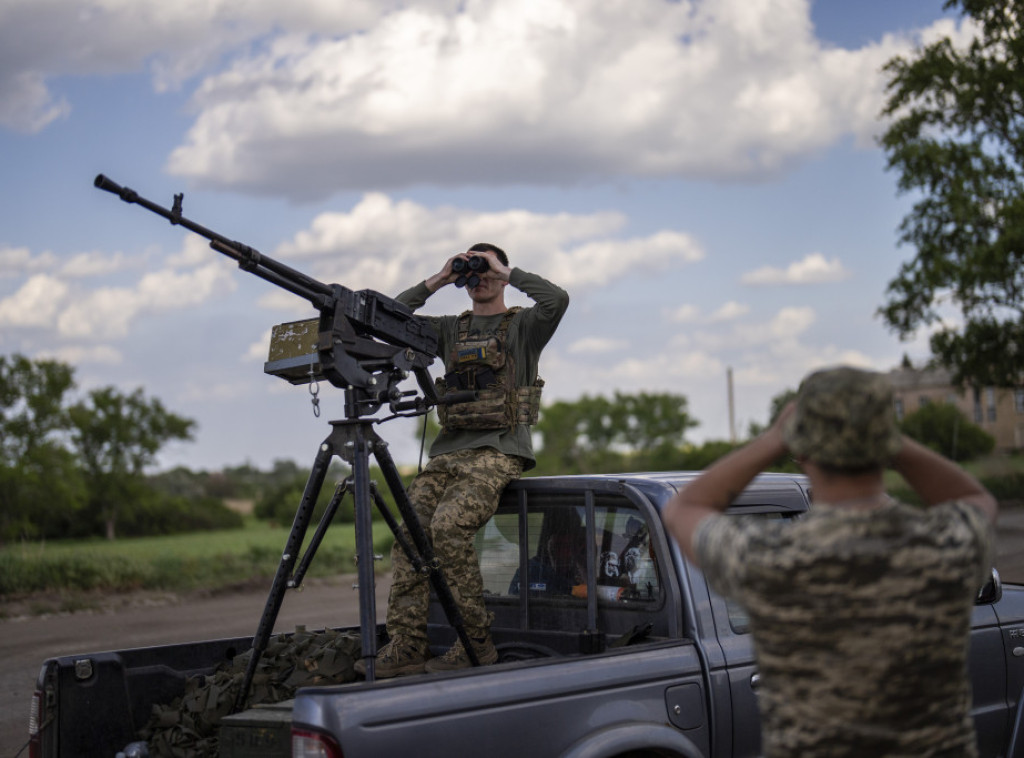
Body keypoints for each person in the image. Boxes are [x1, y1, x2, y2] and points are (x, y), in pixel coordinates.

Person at [662, 366, 997, 757]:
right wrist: (887, 437)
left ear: (801, 449)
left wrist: (774, 438)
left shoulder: (771, 557)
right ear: (884, 442)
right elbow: (979, 501)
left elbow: (684, 506)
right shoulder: (940, 545)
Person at [362, 242, 569, 677]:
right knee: (409, 534)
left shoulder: (524, 326)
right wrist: (438, 279)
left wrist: (505, 271)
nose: (479, 279)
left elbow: (558, 299)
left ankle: (475, 642)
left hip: (498, 449)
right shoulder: (449, 330)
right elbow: (390, 323)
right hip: (447, 453)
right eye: (472, 272)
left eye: (485, 269)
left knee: (447, 528)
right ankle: (407, 643)